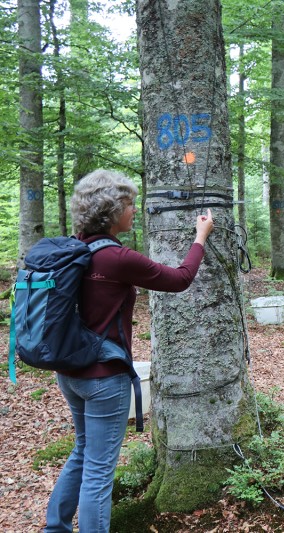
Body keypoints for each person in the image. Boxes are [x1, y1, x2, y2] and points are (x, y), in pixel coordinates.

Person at [44, 169, 214, 533]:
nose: (134, 210)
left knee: (81, 450)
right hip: (105, 378)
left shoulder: (74, 250)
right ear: (111, 209)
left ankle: (54, 528)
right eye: (129, 203)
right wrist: (200, 238)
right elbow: (180, 279)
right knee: (100, 470)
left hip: (69, 373)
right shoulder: (118, 258)